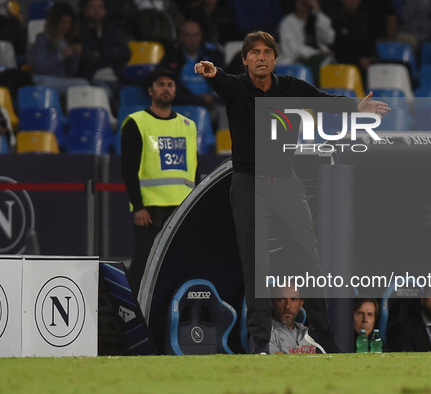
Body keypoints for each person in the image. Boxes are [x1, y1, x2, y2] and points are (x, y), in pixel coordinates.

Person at [194, 31, 389, 354]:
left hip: (286, 181)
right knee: (256, 265)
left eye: (267, 52)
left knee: (309, 262)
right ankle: (259, 340)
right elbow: (221, 80)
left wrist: (358, 105)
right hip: (248, 183)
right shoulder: (237, 87)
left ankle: (323, 333)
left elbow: (324, 102)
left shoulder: (292, 88)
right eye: (254, 52)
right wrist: (212, 73)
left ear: (274, 58)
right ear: (245, 60)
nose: (261, 57)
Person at [121, 67, 198, 295]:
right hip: (151, 211)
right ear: (150, 91)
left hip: (182, 208)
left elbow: (194, 170)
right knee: (143, 264)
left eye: (170, 84)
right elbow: (128, 169)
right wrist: (138, 206)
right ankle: (133, 310)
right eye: (161, 84)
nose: (166, 89)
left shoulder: (188, 125)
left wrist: (194, 205)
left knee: (182, 264)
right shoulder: (137, 122)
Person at [27, 2, 90, 98]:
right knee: (83, 84)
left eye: (68, 23)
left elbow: (69, 73)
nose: (66, 26)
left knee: (83, 83)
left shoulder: (64, 42)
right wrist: (61, 56)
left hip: (60, 80)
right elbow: (41, 67)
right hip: (43, 80)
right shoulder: (42, 39)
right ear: (55, 22)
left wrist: (75, 56)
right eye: (63, 22)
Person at [77, 0, 132, 100]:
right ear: (85, 10)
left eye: (100, 7)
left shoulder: (112, 30)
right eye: (92, 7)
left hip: (117, 77)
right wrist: (113, 54)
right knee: (105, 94)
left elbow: (126, 54)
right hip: (93, 79)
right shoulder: (79, 32)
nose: (97, 11)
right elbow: (87, 62)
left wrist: (102, 53)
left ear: (105, 10)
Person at [277, 0, 336, 80]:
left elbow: (329, 39)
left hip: (320, 61)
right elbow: (293, 50)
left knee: (328, 62)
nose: (303, 5)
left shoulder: (317, 19)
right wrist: (316, 53)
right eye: (301, 2)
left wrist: (318, 12)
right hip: (295, 62)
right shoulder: (287, 22)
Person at [269, 287, 324, 354]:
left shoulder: (310, 333)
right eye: (282, 299)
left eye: (294, 299)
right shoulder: (266, 334)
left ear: (301, 304)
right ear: (272, 303)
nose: (288, 306)